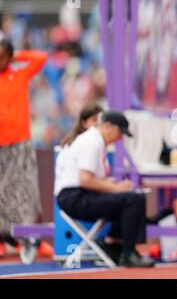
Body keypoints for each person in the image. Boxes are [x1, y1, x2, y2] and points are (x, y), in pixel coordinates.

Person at [54, 110, 154, 267]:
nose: (120, 138)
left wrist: (114, 186)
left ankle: (113, 246)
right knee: (133, 200)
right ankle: (127, 252)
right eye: (120, 132)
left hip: (76, 195)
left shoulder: (95, 142)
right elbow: (85, 180)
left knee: (132, 197)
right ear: (108, 126)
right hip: (74, 197)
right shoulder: (92, 142)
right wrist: (116, 188)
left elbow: (90, 180)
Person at [0, 39, 48, 256]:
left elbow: (41, 58)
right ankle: (2, 240)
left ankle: (27, 239)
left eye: (3, 56)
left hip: (20, 143)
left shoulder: (19, 74)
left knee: (25, 192)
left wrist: (15, 54)